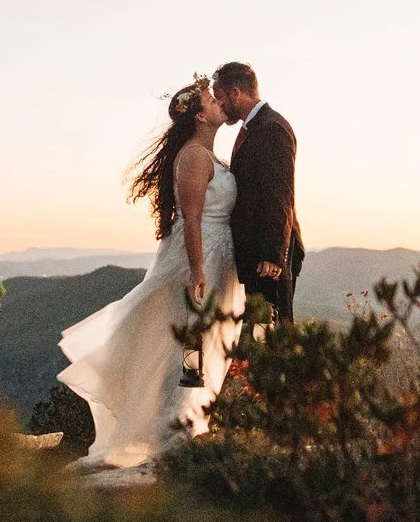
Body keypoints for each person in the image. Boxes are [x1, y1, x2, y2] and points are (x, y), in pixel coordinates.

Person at [56, 79, 245, 472]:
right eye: (211, 99)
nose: (218, 103)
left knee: (201, 345)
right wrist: (197, 271)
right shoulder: (194, 155)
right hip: (200, 260)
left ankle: (186, 422)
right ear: (199, 114)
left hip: (216, 258)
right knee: (190, 345)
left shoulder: (210, 155)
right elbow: (192, 217)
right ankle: (173, 434)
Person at [211, 62, 303, 323]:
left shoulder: (271, 128)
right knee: (259, 331)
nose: (219, 105)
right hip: (254, 251)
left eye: (220, 98)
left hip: (268, 258)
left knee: (274, 331)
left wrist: (273, 254)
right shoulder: (253, 126)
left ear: (236, 93)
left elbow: (281, 194)